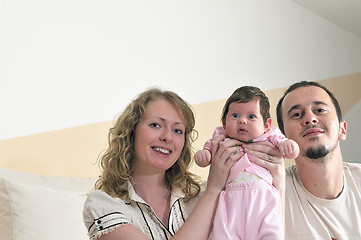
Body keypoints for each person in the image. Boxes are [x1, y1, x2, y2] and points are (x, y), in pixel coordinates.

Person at [82, 88, 285, 240]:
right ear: (131, 131)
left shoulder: (198, 196)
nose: (167, 137)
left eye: (178, 130)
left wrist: (278, 183)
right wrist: (214, 188)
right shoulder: (103, 205)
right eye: (156, 125)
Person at [195, 86, 299, 239]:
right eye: (235, 115)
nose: (242, 121)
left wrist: (289, 146)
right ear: (224, 122)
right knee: (224, 233)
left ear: (266, 124)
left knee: (271, 232)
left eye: (251, 116)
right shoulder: (221, 137)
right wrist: (204, 154)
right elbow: (207, 153)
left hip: (263, 198)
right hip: (230, 200)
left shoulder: (270, 135)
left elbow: (291, 151)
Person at [276, 81, 361, 239]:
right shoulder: (270, 194)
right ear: (283, 139)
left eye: (320, 110)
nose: (310, 119)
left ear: (342, 130)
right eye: (296, 114)